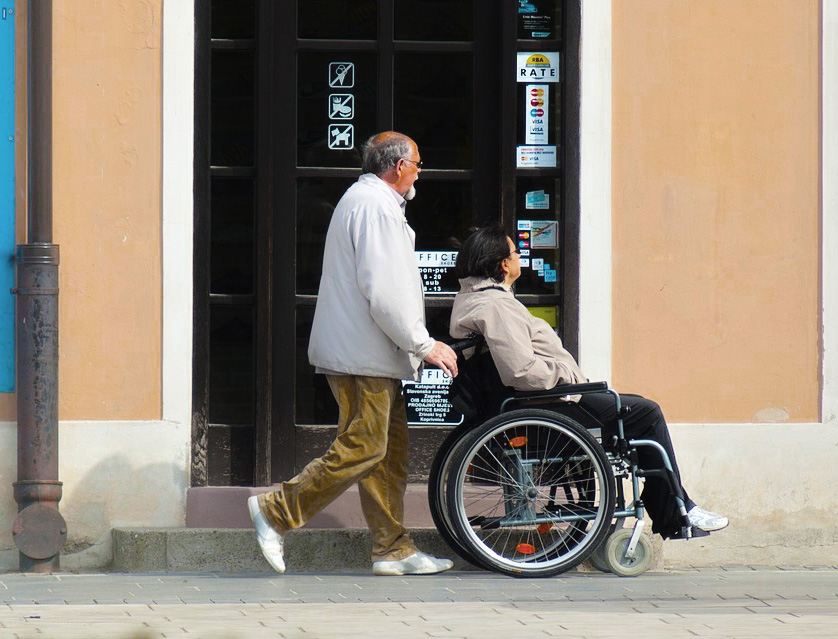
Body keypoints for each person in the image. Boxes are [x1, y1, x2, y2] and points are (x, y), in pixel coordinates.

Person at [247, 132, 459, 576]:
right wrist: (423, 343)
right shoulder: (375, 207)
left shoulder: (368, 203)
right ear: (398, 167)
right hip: (364, 355)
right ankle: (276, 510)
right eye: (418, 163)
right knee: (365, 447)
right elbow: (384, 291)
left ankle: (392, 549)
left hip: (369, 353)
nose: (420, 171)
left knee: (387, 453)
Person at [449, 224, 728, 539]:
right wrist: (569, 377)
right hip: (547, 404)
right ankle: (677, 508)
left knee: (634, 408)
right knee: (646, 413)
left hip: (539, 403)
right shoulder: (497, 306)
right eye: (515, 252)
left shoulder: (476, 300)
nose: (519, 257)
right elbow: (521, 372)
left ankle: (673, 504)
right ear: (503, 264)